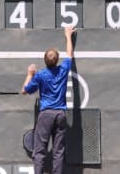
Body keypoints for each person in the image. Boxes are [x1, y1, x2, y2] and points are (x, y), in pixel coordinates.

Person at [21, 25, 76, 174]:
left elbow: (24, 91)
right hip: (60, 114)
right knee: (58, 152)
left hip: (46, 114)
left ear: (44, 61)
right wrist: (68, 36)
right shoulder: (63, 69)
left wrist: (30, 74)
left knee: (40, 151)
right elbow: (69, 54)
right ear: (57, 60)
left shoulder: (40, 75)